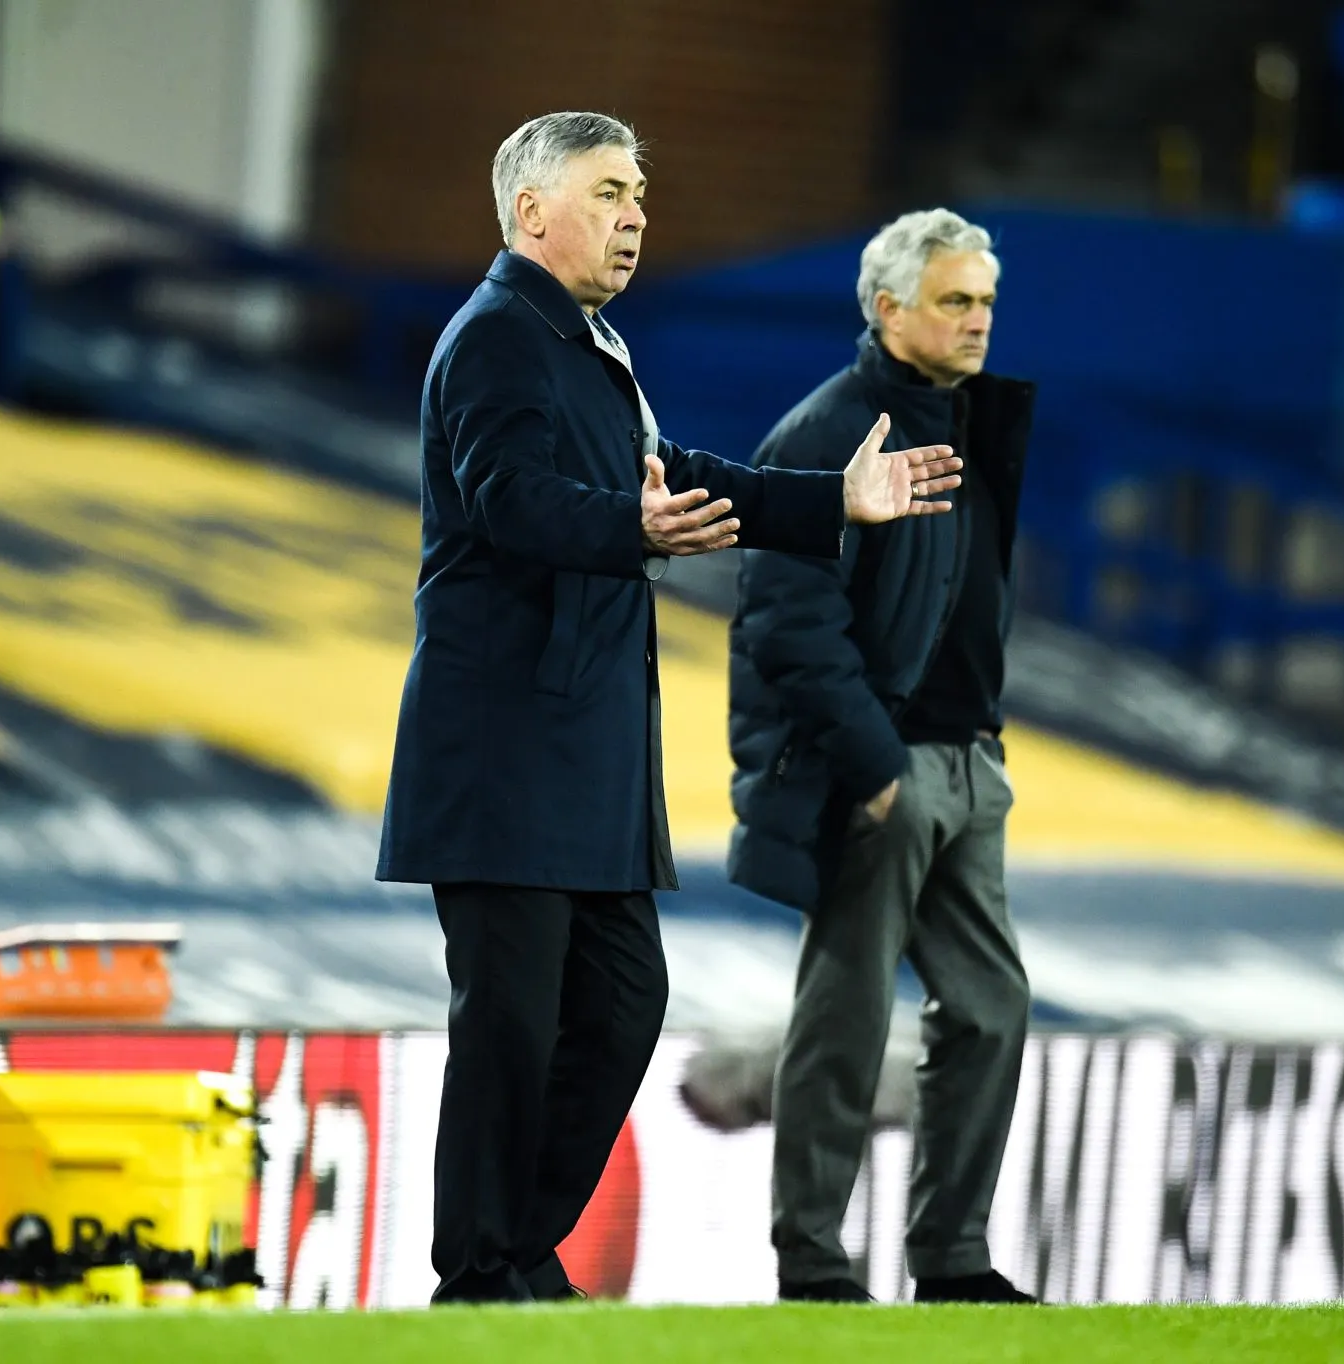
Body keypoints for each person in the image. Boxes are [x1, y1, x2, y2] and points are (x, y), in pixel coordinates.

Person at [374, 112, 964, 1305]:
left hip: (584, 750)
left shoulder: (589, 344)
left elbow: (671, 476)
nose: (637, 213)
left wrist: (829, 501)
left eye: (640, 192)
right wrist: (624, 527)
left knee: (621, 1001)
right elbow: (505, 497)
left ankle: (513, 1248)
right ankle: (481, 1270)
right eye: (607, 191)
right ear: (531, 211)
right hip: (502, 747)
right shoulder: (494, 336)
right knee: (510, 1024)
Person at [727, 209, 1039, 1304]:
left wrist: (972, 751)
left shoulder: (975, 422)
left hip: (968, 762)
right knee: (845, 1011)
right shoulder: (824, 433)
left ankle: (950, 1257)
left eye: (985, 301)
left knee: (992, 1006)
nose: (976, 320)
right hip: (886, 769)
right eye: (954, 300)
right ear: (885, 306)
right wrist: (871, 766)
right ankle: (810, 1259)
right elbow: (784, 623)